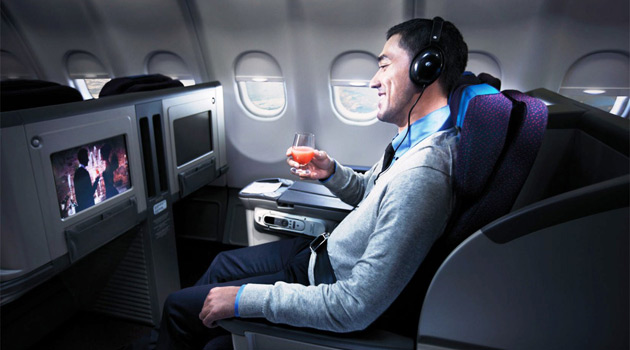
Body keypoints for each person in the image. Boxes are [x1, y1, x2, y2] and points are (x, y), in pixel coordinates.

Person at [152, 17, 468, 349]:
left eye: (385, 65)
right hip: (319, 253)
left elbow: (353, 306)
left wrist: (244, 299)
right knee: (220, 266)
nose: (374, 81)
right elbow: (371, 195)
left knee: (178, 308)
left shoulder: (422, 175)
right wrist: (330, 171)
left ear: (426, 68)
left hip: (325, 281)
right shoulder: (410, 141)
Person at [73, 148, 100, 213]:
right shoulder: (84, 173)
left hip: (83, 207)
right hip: (88, 207)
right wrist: (96, 181)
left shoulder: (77, 173)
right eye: (87, 157)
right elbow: (90, 192)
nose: (88, 160)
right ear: (83, 158)